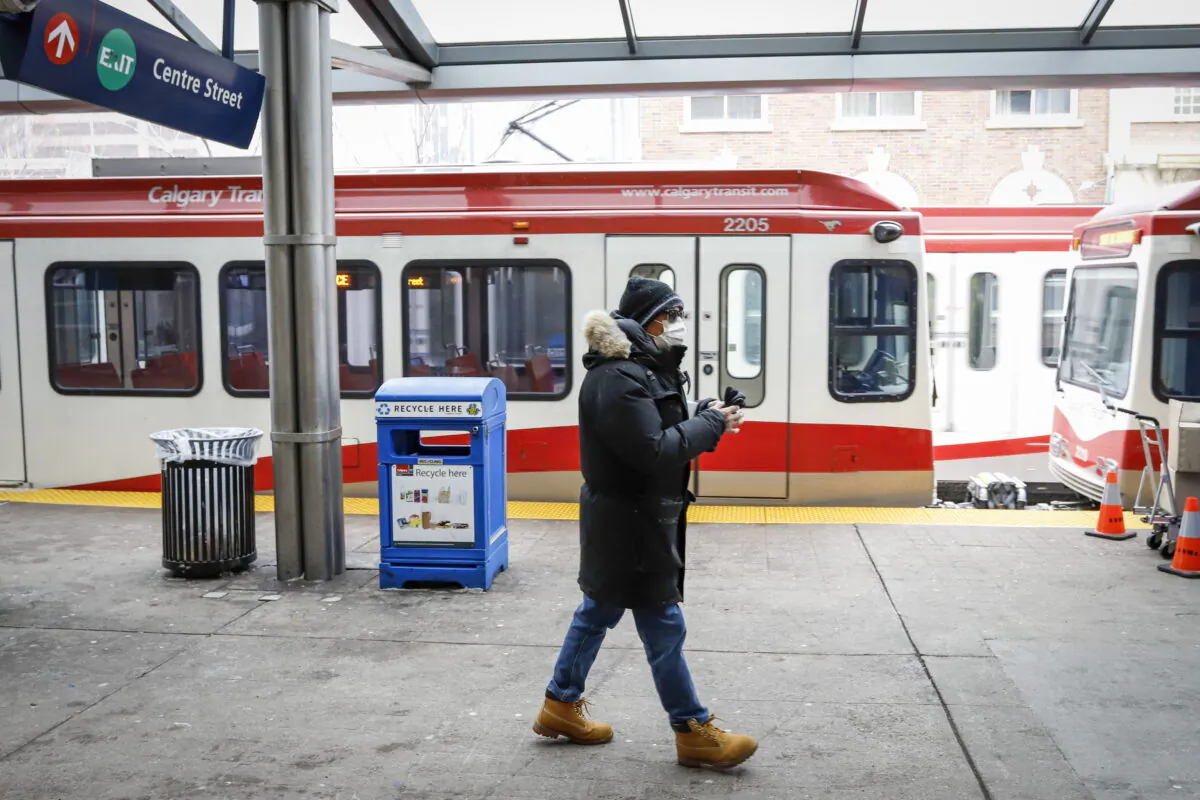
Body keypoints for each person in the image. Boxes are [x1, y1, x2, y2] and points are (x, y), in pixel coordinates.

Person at [532, 276, 758, 770]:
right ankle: (693, 729)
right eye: (670, 318)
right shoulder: (617, 378)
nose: (676, 328)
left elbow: (655, 425)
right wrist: (712, 426)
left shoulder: (640, 371)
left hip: (628, 520)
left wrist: (705, 413)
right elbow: (651, 451)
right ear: (649, 321)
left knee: (596, 614)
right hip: (631, 525)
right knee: (663, 623)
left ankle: (560, 704)